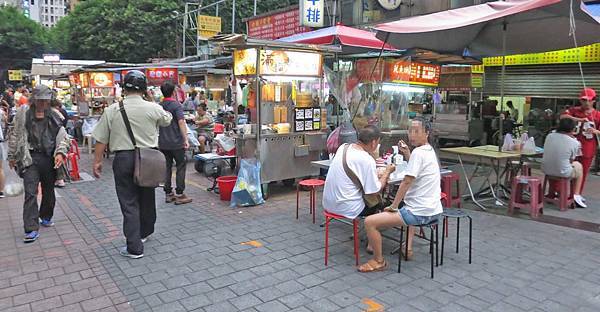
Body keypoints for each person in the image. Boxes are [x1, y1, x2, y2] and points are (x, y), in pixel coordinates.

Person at [92, 70, 172, 259]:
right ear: (145, 89)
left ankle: (134, 247)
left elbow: (101, 139)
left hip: (123, 159)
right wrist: (151, 100)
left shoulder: (112, 110)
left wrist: (97, 162)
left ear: (124, 88)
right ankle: (144, 232)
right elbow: (167, 119)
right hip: (149, 158)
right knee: (147, 196)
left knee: (129, 202)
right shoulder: (152, 108)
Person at [358, 118, 442, 272]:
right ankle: (407, 248)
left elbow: (407, 181)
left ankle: (378, 261)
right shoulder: (428, 151)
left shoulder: (419, 153)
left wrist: (394, 205)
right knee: (402, 207)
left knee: (370, 222)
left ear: (427, 133)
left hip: (419, 212)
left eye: (416, 131)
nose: (412, 135)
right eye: (410, 131)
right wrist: (408, 153)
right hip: (433, 209)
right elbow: (416, 171)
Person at [7, 85, 70, 243]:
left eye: (46, 100)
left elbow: (63, 136)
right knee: (30, 192)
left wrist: (60, 152)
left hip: (48, 158)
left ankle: (46, 216)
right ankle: (31, 228)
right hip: (30, 158)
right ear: (34, 99)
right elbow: (15, 134)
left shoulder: (54, 115)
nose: (43, 103)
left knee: (49, 191)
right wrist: (12, 155)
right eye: (40, 100)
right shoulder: (23, 113)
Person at [322, 125, 395, 220]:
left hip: (328, 204)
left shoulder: (343, 147)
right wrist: (387, 172)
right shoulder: (366, 159)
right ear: (373, 143)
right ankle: (372, 227)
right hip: (348, 209)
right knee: (378, 203)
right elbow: (374, 191)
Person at [560, 88, 599, 196]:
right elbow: (563, 117)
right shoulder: (574, 110)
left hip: (587, 148)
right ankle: (558, 192)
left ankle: (576, 195)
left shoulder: (597, 115)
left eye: (589, 100)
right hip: (570, 146)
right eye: (584, 100)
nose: (586, 103)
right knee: (562, 168)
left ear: (594, 101)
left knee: (582, 173)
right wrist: (579, 120)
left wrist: (596, 131)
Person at [158, 81, 192, 205]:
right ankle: (180, 194)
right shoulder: (176, 105)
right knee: (181, 165)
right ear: (173, 92)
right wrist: (186, 139)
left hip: (163, 142)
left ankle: (168, 193)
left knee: (166, 167)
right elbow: (181, 122)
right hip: (176, 142)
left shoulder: (159, 105)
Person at [542, 118, 586, 207]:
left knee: (555, 162)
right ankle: (576, 195)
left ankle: (551, 192)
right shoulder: (574, 142)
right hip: (563, 172)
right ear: (573, 129)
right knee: (578, 166)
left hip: (545, 169)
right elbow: (571, 160)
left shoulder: (549, 136)